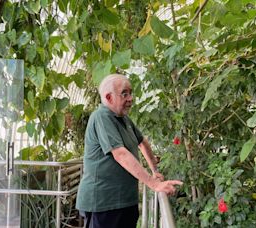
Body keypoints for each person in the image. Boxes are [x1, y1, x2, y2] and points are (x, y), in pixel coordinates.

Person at [76, 74, 183, 228]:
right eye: (124, 93)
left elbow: (143, 143)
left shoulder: (124, 119)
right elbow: (120, 154)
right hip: (104, 203)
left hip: (125, 201)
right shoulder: (101, 117)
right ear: (109, 97)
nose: (131, 98)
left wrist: (154, 170)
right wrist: (154, 184)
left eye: (131, 93)